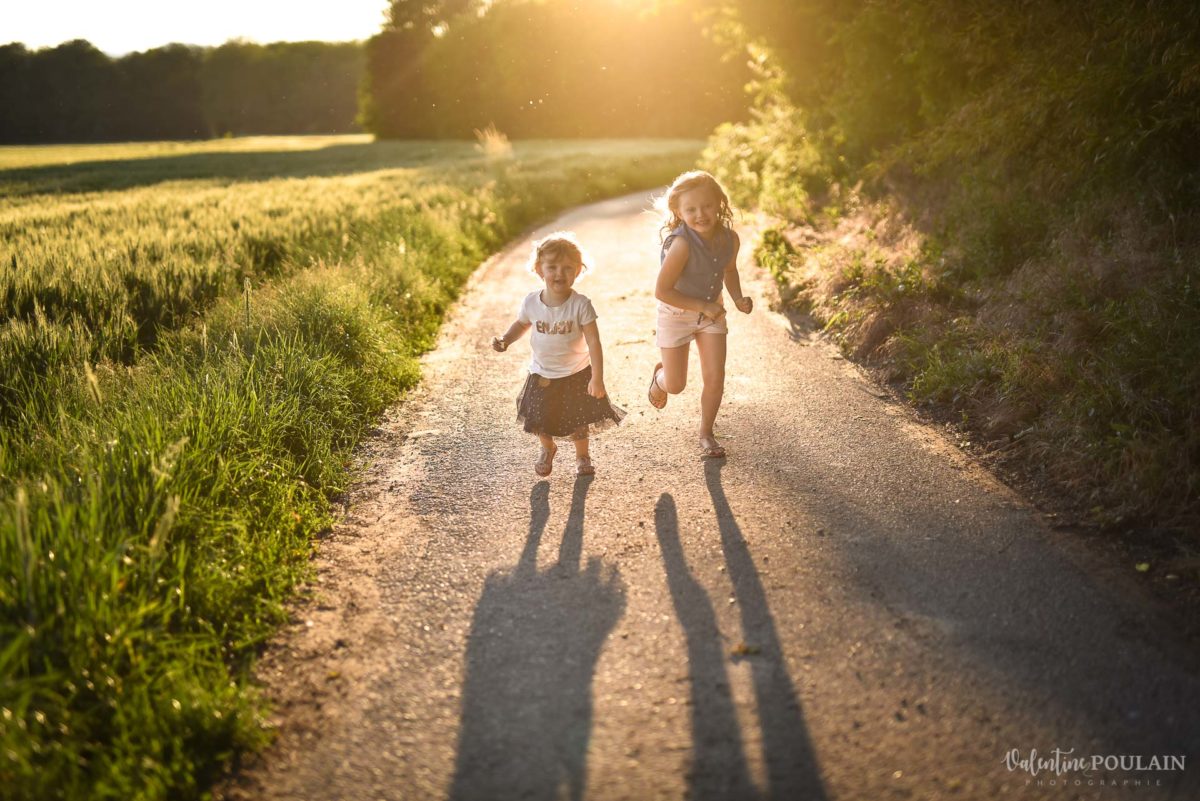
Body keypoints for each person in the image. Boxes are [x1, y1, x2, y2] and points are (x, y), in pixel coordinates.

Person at [492, 232, 624, 476]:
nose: (559, 274)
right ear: (539, 269)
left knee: (578, 420)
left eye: (567, 268)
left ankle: (583, 456)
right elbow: (522, 324)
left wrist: (597, 377)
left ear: (578, 271)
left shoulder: (581, 305)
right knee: (542, 419)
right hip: (542, 373)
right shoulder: (531, 302)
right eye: (552, 267)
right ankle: (547, 448)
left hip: (576, 373)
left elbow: (594, 342)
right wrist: (506, 340)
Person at [646, 170, 752, 458]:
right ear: (678, 212)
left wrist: (738, 297)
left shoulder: (730, 239)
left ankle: (706, 433)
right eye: (691, 209)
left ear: (719, 203)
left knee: (715, 376)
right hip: (675, 312)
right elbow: (662, 291)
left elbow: (729, 270)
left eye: (707, 206)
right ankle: (660, 379)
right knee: (677, 385)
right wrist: (704, 306)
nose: (700, 214)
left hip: (710, 312)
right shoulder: (681, 245)